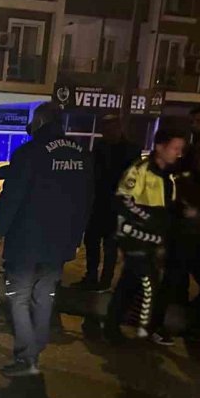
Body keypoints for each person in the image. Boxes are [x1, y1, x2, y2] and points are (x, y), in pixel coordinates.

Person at [0, 103, 94, 377]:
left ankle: (26, 356)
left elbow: (11, 199)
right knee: (44, 296)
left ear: (41, 120)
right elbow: (87, 201)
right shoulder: (81, 155)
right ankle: (36, 348)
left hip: (27, 242)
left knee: (18, 297)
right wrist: (76, 236)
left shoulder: (29, 154)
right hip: (59, 243)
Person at [103, 129, 184, 344]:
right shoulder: (140, 171)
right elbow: (122, 200)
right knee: (148, 282)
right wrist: (147, 219)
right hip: (135, 237)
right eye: (175, 148)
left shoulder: (168, 177)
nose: (178, 153)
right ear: (160, 147)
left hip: (153, 239)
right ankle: (142, 328)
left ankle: (115, 326)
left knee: (131, 283)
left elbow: (169, 210)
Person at [152, 146, 200, 346]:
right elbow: (170, 211)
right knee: (170, 286)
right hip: (181, 243)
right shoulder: (183, 181)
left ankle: (195, 325)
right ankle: (157, 327)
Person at [74, 115, 141, 292]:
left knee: (110, 247)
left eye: (110, 129)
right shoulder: (100, 148)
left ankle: (104, 281)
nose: (107, 133)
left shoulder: (130, 150)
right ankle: (91, 277)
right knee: (92, 242)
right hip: (98, 204)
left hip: (115, 207)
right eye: (105, 129)